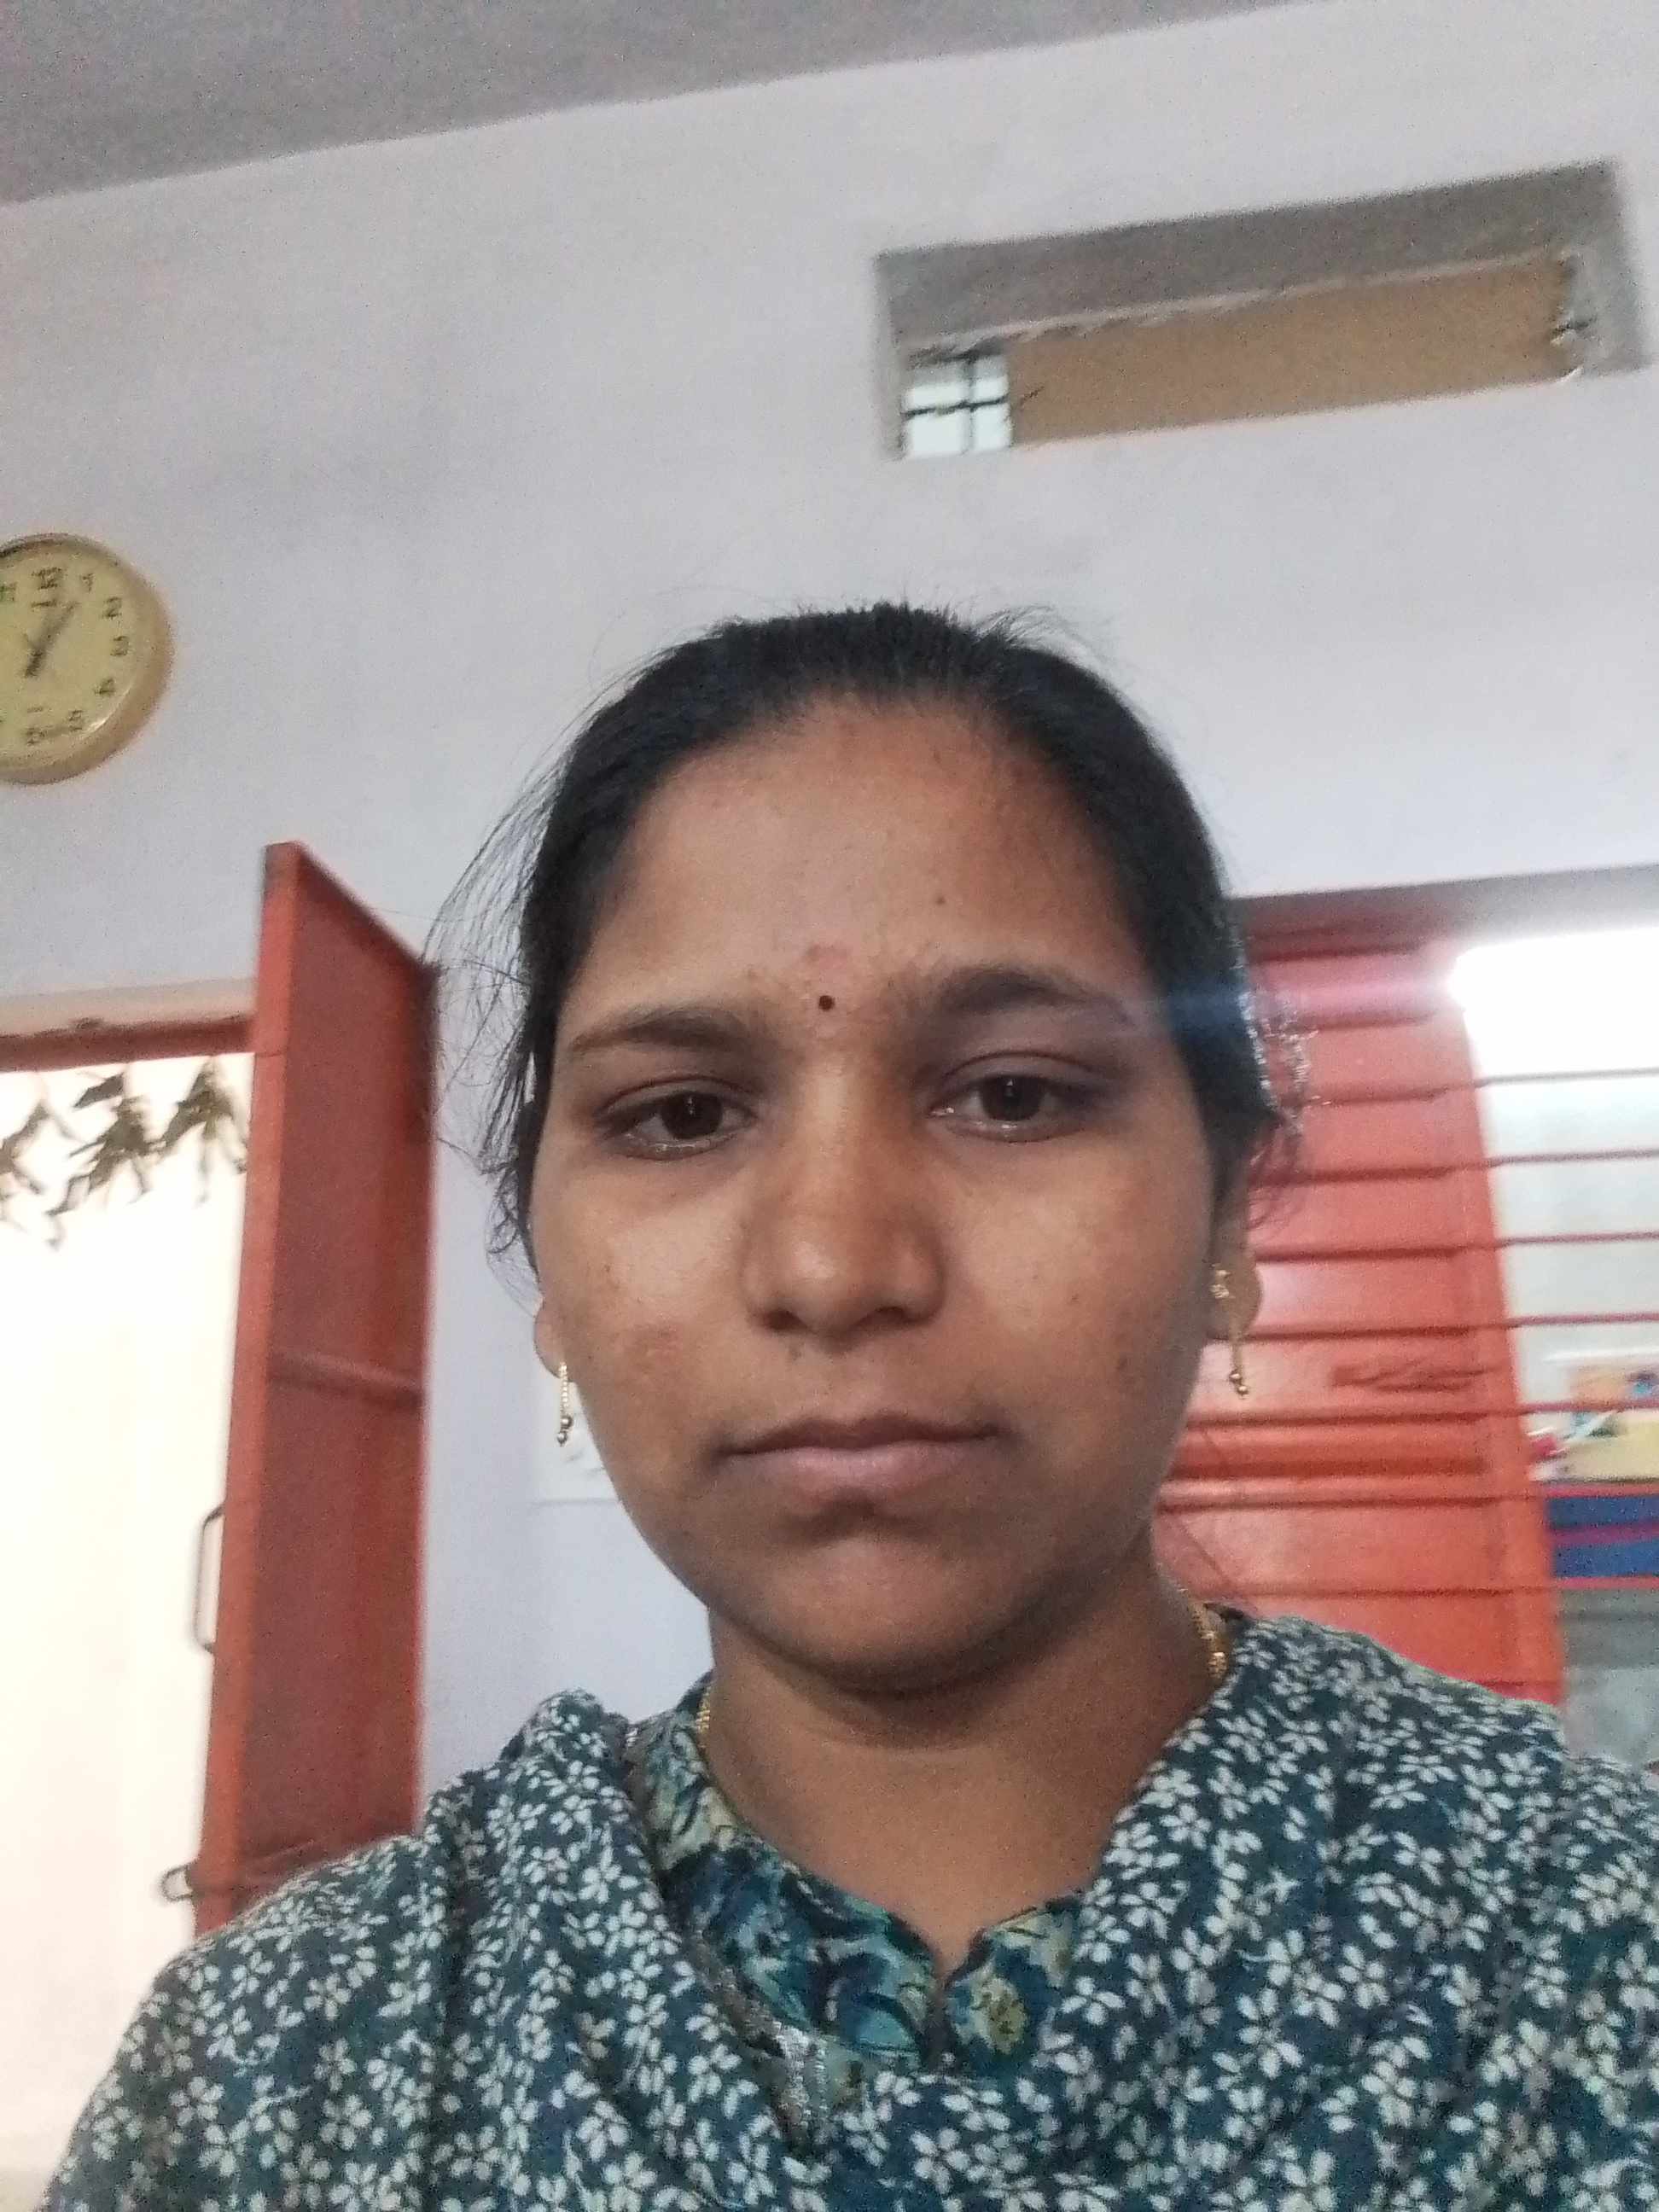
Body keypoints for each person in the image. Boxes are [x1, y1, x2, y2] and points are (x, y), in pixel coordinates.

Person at [48, 607, 1658, 2209]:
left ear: (1228, 1215)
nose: (831, 1266)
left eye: (1012, 1093)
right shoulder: (278, 2078)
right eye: (681, 1115)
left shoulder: (1593, 1942)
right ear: (547, 1272)